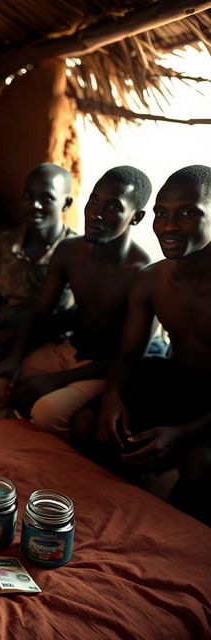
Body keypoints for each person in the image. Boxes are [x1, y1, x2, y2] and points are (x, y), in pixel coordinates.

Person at [0, 166, 152, 435]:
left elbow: (130, 356)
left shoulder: (142, 274)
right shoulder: (70, 251)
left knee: (47, 413)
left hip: (103, 367)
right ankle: (18, 453)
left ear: (136, 217)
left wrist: (57, 380)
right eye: (94, 200)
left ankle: (25, 457)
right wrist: (14, 358)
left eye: (112, 207)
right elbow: (40, 313)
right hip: (66, 350)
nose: (96, 212)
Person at [98, 165, 211, 525]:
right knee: (99, 427)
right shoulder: (152, 280)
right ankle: (114, 531)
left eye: (188, 213)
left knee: (198, 466)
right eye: (162, 213)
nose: (169, 225)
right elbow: (130, 354)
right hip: (180, 386)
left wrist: (180, 434)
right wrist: (113, 396)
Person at [0, 163, 75, 388]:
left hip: (45, 339)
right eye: (28, 195)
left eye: (46, 198)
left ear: (66, 203)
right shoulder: (5, 243)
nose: (33, 205)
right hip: (1, 333)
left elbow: (56, 319)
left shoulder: (74, 252)